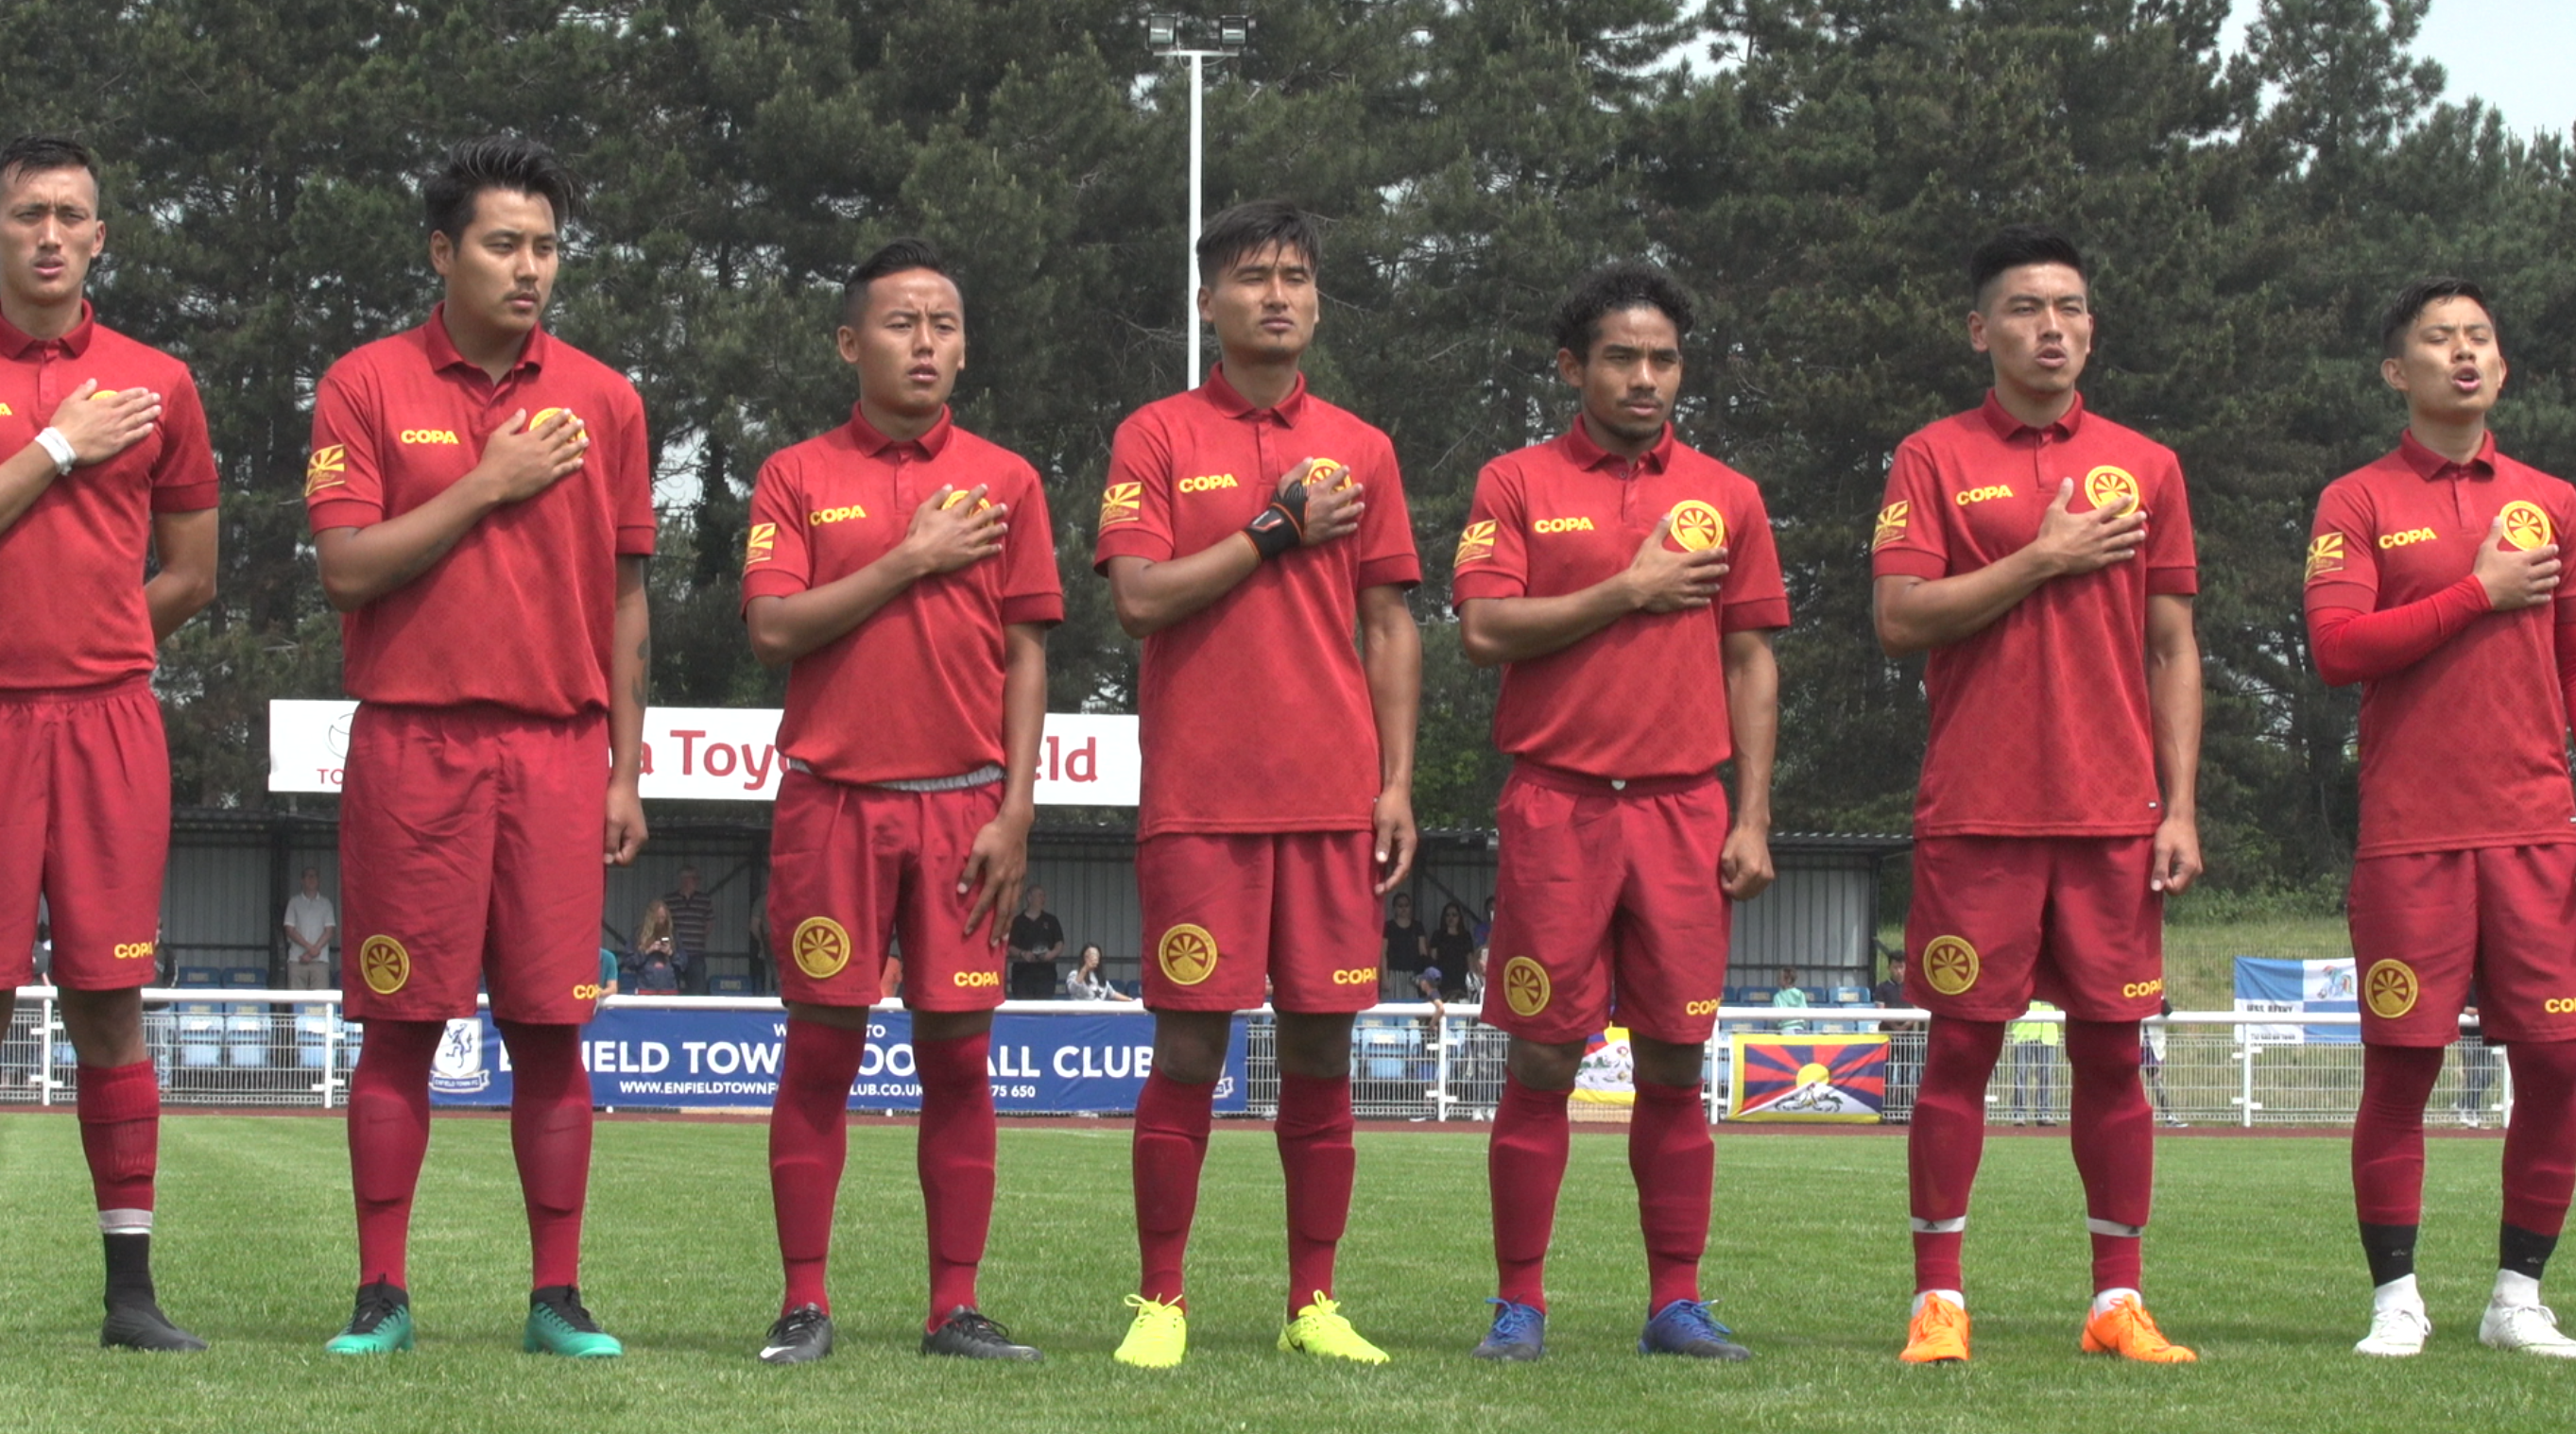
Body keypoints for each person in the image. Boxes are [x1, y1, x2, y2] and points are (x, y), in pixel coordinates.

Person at [305, 136, 653, 1358]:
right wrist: (487, 483)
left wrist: (624, 764)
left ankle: (556, 1293)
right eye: (503, 243)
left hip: (559, 755)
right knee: (399, 1023)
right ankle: (381, 1292)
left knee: (553, 1028)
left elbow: (625, 601)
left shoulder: (607, 399)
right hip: (412, 745)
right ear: (443, 252)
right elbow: (347, 567)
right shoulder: (364, 385)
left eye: (545, 246)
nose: (528, 267)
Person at [1094, 199, 1420, 1368]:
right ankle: (1161, 1300)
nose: (1273, 295)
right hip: (1201, 799)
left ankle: (1311, 1305)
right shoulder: (1153, 437)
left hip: (1333, 799)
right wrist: (1272, 531)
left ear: (1318, 300)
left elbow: (1389, 627)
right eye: (1248, 278)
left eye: (1292, 276)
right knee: (1187, 1049)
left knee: (1324, 1053)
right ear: (1204, 303)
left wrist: (1397, 783)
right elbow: (1138, 597)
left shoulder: (1364, 449)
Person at [1873, 226, 2201, 1365]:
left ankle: (2115, 1301)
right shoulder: (1929, 456)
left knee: (2114, 1058)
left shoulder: (2145, 464)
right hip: (1977, 810)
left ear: (2090, 328)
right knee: (1959, 1052)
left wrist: (2180, 805)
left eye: (2067, 307)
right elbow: (1898, 615)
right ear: (1981, 330)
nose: (2048, 326)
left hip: (2114, 815)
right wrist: (2039, 559)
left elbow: (2171, 646)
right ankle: (1936, 1302)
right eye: (2022, 308)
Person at [1453, 262, 1787, 1362]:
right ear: (1571, 366)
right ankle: (1519, 1303)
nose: (1644, 378)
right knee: (1544, 1060)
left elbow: (1749, 659)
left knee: (1676, 1061)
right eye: (1620, 357)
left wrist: (1751, 814)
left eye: (1663, 359)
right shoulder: (1512, 481)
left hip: (1685, 811)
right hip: (1555, 808)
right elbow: (1485, 630)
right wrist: (1625, 592)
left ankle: (1674, 1302)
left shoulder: (1727, 495)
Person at [744, 237, 1059, 1365]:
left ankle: (952, 1309)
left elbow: (1028, 657)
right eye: (899, 323)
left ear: (964, 347)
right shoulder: (793, 474)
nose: (924, 343)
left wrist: (1016, 808)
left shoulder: (1010, 478)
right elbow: (774, 627)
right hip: (830, 803)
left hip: (963, 808)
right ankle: (804, 1304)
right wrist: (911, 555)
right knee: (820, 1052)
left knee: (958, 1058)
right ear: (849, 342)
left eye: (942, 325)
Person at [2306, 276, 2576, 1358]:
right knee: (2401, 1066)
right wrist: (2475, 592)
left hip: (2532, 831)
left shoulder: (2552, 501)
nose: (2460, 354)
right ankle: (2395, 1298)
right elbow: (2338, 650)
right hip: (2409, 834)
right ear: (2394, 371)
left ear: (2500, 367)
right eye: (2435, 339)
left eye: (2478, 339)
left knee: (2558, 1065)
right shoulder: (2355, 500)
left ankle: (2517, 1296)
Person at [0, 133, 219, 1352]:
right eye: (25, 211)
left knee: (108, 1001)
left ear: (99, 238)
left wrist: (89, 644)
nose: (45, 233)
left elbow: (192, 572)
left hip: (107, 725)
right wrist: (56, 446)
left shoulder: (160, 381)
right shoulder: (89, 410)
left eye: (66, 214)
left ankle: (130, 1296)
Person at [1006, 885, 1066, 1000]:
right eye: (1040, 895)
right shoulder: (1017, 921)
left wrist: (1051, 954)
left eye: (1044, 896)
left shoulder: (1051, 920)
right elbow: (1009, 946)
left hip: (1046, 974)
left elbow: (1059, 943)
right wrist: (1023, 954)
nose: (1043, 899)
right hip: (1022, 975)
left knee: (1044, 1008)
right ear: (1029, 898)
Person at [283, 866, 338, 990]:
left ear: (319, 881)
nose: (311, 879)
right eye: (308, 876)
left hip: (320, 961)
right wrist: (310, 949)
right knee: (296, 1002)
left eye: (314, 876)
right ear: (302, 881)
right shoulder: (294, 902)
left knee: (320, 1004)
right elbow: (289, 929)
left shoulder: (326, 903)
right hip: (297, 959)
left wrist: (313, 952)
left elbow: (330, 931)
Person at [2006, 1000, 2059, 1126]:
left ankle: (2044, 1114)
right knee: (2021, 1076)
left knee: (2046, 1077)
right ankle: (2019, 1114)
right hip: (2024, 1034)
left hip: (2048, 1035)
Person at [661, 865, 713, 993]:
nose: (697, 882)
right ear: (684, 880)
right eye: (693, 879)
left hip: (696, 954)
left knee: (698, 993)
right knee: (671, 990)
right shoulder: (669, 900)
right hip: (674, 954)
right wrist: (666, 946)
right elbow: (663, 925)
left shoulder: (704, 900)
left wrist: (699, 938)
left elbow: (710, 923)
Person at [2139, 998, 2182, 1128]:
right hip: (2133, 1042)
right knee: (2130, 1080)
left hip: (2152, 1044)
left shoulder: (2154, 993)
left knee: (2156, 1079)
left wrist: (2161, 1001)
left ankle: (2168, 1115)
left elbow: (2167, 1011)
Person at [1380, 892, 1429, 1000]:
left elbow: (1423, 952)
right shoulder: (1388, 926)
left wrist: (1424, 976)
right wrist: (1384, 978)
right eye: (1400, 906)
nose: (1403, 909)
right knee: (1392, 1008)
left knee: (1412, 1009)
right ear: (1394, 908)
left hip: (1413, 975)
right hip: (1393, 973)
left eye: (1406, 905)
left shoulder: (1417, 926)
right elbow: (1382, 953)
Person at [1429, 902, 1476, 999]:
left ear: (1459, 918)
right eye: (1448, 915)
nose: (1451, 918)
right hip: (1442, 977)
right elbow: (1432, 959)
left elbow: (1470, 958)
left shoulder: (1465, 936)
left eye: (1454, 915)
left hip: (1461, 976)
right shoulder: (1437, 935)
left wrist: (1472, 978)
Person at [1067, 944, 1136, 1002]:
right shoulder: (1075, 974)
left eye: (1096, 955)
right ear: (1084, 957)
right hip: (1080, 1014)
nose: (1093, 957)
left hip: (1099, 1015)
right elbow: (1072, 989)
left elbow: (1112, 993)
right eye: (1090, 955)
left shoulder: (1100, 977)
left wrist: (1131, 1000)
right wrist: (1084, 969)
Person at [1771, 966, 1811, 1036]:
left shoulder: (1777, 997)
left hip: (1785, 1031)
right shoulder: (1800, 994)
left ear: (1787, 980)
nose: (1777, 979)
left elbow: (1775, 1019)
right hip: (1800, 1031)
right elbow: (1806, 1014)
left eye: (1780, 977)